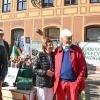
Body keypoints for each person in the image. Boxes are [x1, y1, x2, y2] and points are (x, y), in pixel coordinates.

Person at [54, 29, 86, 100]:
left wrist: (77, 82)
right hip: (60, 83)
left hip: (73, 83)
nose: (70, 41)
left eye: (70, 39)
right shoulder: (57, 50)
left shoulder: (77, 50)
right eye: (67, 39)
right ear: (61, 39)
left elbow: (83, 67)